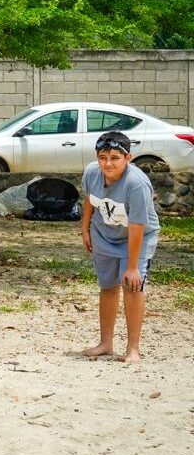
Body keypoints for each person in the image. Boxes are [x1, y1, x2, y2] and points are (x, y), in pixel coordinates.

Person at [81, 132, 159, 364]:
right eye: (103, 157)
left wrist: (133, 266)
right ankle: (106, 343)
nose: (108, 163)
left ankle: (132, 348)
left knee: (132, 286)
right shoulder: (91, 173)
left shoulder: (136, 183)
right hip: (103, 233)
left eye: (115, 157)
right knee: (107, 286)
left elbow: (137, 225)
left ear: (128, 158)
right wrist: (85, 230)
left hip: (135, 238)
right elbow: (89, 200)